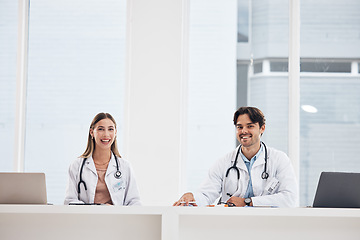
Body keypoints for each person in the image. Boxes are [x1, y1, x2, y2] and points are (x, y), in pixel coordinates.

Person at [173, 106, 298, 207]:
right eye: (239, 127)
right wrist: (192, 197)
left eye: (250, 126)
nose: (244, 131)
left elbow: (290, 198)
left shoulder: (279, 159)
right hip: (232, 223)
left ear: (262, 128)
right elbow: (206, 195)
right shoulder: (224, 162)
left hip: (268, 223)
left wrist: (248, 201)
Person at [64, 112, 141, 205]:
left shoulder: (124, 167)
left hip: (116, 218)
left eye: (110, 129)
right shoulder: (77, 166)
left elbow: (134, 202)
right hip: (87, 218)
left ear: (115, 132)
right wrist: (97, 208)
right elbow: (69, 201)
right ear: (92, 132)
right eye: (101, 129)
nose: (106, 134)